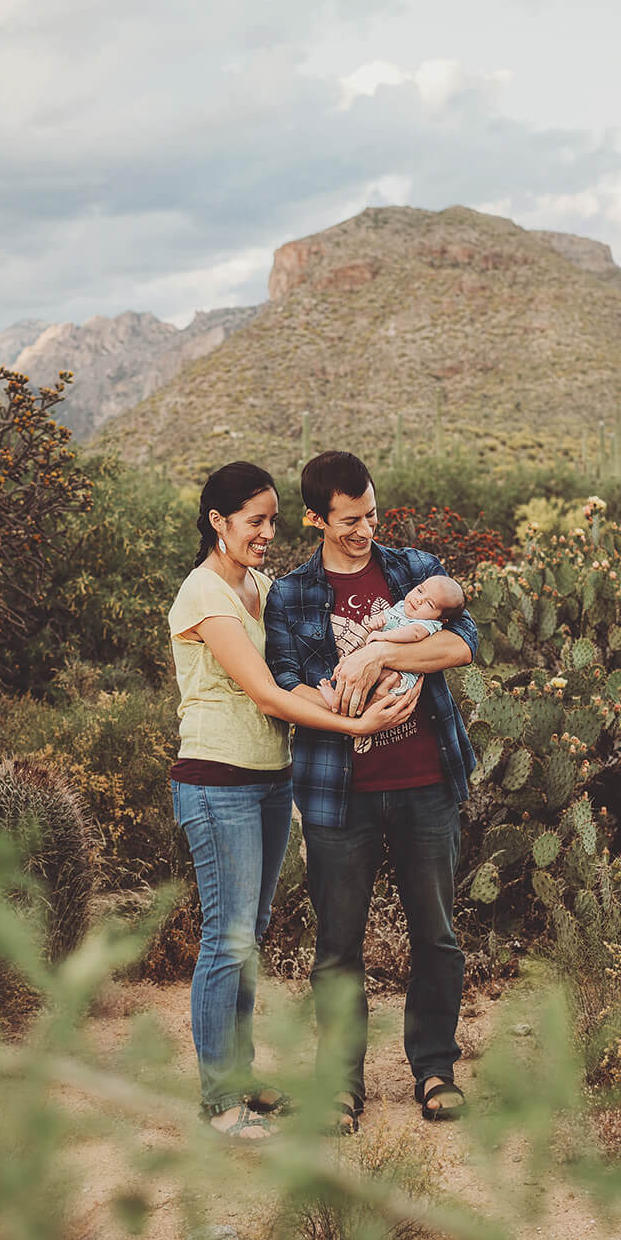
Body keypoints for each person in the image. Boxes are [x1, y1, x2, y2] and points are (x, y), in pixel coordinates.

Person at [168, 460, 420, 1144]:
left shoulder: (262, 588)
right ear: (218, 521)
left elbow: (298, 679)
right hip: (217, 784)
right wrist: (357, 725)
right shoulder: (205, 595)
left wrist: (352, 687)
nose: (266, 533)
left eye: (273, 520)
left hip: (270, 780)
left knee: (247, 934)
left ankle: (242, 1074)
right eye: (254, 521)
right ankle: (220, 1101)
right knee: (227, 939)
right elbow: (267, 694)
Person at [264, 451, 481, 1134]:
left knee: (436, 934)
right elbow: (287, 683)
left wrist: (376, 653)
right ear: (316, 519)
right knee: (338, 944)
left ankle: (436, 1067)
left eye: (372, 516)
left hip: (424, 784)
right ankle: (339, 1083)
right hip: (339, 794)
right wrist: (349, 707)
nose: (364, 530)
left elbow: (459, 647)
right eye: (350, 521)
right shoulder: (293, 594)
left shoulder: (415, 571)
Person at [317, 574, 465, 710]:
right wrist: (377, 621)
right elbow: (386, 617)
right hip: (378, 660)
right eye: (420, 590)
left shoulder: (428, 624)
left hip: (400, 674)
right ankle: (339, 695)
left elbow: (413, 634)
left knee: (377, 679)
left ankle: (348, 708)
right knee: (352, 667)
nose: (419, 599)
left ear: (441, 619)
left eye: (430, 604)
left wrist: (384, 636)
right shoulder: (401, 606)